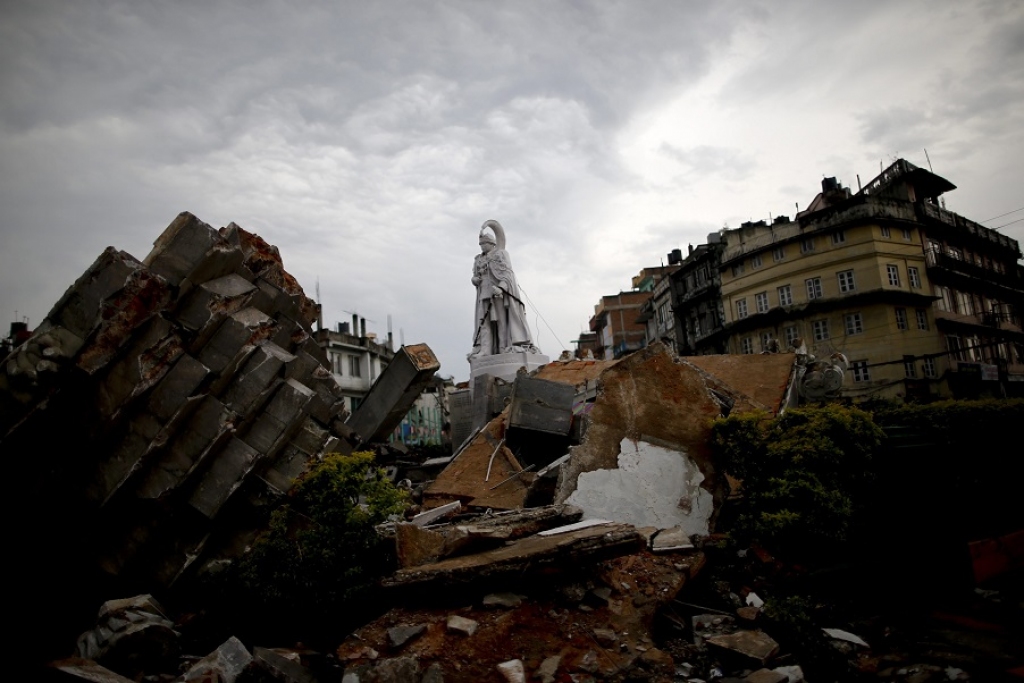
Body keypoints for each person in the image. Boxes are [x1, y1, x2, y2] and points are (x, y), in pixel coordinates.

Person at [470, 220, 539, 358]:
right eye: (480, 244)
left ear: (492, 244)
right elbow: (475, 276)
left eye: (484, 244)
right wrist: (475, 280)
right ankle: (485, 350)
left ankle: (503, 348)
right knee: (484, 323)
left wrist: (501, 288)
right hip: (484, 294)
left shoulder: (500, 255)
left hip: (498, 294)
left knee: (501, 321)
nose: (482, 247)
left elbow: (507, 274)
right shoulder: (478, 259)